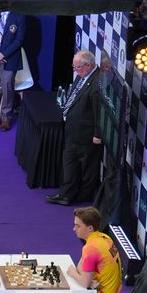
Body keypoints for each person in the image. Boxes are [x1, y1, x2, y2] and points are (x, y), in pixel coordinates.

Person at [46, 50, 102, 206]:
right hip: (72, 130)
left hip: (86, 134)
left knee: (87, 168)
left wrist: (97, 135)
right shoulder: (82, 75)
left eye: (77, 67)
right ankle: (66, 195)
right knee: (70, 164)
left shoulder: (97, 83)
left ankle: (84, 197)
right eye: (74, 66)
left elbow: (99, 112)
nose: (75, 70)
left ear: (88, 65)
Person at [67, 207, 121, 293]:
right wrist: (90, 282)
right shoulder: (104, 237)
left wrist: (72, 272)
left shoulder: (91, 248)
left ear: (90, 228)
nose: (74, 229)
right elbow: (80, 267)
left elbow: (84, 282)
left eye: (78, 226)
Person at [0, 11, 26, 131]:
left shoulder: (19, 16)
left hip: (10, 58)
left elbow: (19, 40)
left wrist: (3, 54)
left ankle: (6, 119)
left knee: (7, 88)